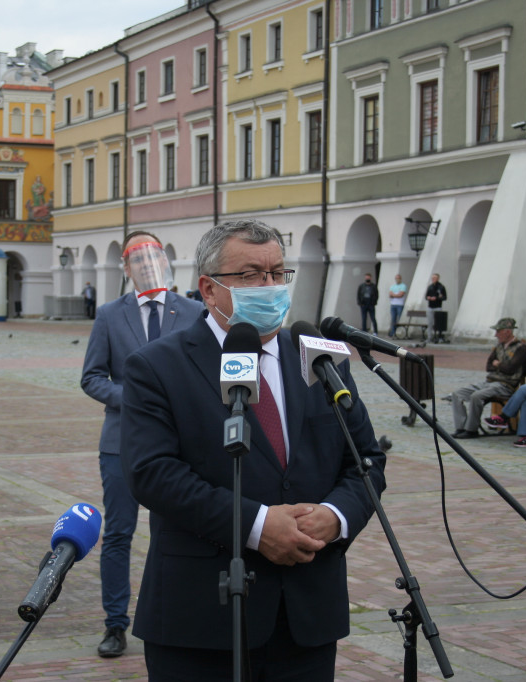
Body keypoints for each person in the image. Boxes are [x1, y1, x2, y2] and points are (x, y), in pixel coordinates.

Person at [119, 219, 387, 680]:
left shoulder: (317, 357)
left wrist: (336, 516)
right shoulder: (157, 366)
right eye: (250, 275)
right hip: (200, 620)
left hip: (306, 617)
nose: (269, 286)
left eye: (278, 273)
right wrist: (258, 526)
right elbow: (153, 474)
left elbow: (365, 459)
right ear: (208, 289)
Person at [80, 231, 204, 658]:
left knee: (176, 531)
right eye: (136, 259)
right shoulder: (110, 315)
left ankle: (178, 615)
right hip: (121, 442)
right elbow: (92, 376)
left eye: (153, 256)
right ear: (126, 269)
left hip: (182, 443)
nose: (146, 264)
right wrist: (131, 398)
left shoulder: (193, 311)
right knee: (118, 534)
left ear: (166, 261)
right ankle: (115, 623)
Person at [451, 317, 526, 439]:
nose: (496, 334)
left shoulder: (520, 348)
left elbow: (510, 369)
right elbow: (488, 366)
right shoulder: (499, 346)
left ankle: (471, 429)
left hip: (504, 385)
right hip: (489, 381)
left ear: (507, 332)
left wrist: (497, 364)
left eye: (498, 331)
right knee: (457, 394)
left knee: (476, 396)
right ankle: (461, 427)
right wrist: (500, 366)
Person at [425, 273, 447, 343]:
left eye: (435, 278)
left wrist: (437, 298)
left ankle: (438, 337)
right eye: (432, 278)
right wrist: (428, 298)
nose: (433, 279)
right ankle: (429, 337)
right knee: (430, 323)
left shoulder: (441, 287)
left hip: (437, 307)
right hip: (430, 307)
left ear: (438, 279)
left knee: (438, 323)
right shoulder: (430, 287)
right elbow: (426, 296)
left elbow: (444, 297)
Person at [388, 273, 407, 338]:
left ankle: (399, 333)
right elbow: (390, 294)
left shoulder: (403, 286)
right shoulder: (393, 286)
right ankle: (393, 332)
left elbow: (401, 294)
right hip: (393, 304)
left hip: (400, 305)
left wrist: (394, 295)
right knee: (393, 319)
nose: (397, 280)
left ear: (400, 279)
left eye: (398, 278)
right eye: (396, 278)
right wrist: (396, 295)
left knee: (399, 319)